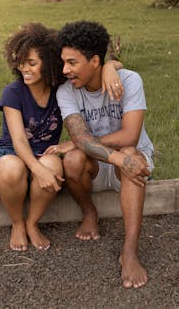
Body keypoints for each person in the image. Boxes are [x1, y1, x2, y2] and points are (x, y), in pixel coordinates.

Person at [0, 22, 124, 252]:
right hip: (12, 158)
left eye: (32, 63)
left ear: (48, 63)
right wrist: (37, 170)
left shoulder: (61, 89)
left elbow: (101, 65)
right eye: (21, 62)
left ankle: (32, 223)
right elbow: (19, 141)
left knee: (52, 163)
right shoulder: (13, 92)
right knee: (12, 168)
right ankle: (18, 223)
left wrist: (110, 66)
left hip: (46, 155)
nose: (25, 69)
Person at [46, 20, 154, 289]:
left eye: (72, 62)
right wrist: (82, 145)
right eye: (63, 62)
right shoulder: (66, 91)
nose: (65, 70)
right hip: (96, 164)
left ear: (95, 61)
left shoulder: (129, 80)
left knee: (130, 152)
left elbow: (129, 135)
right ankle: (89, 212)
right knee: (72, 159)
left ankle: (129, 251)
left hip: (129, 159)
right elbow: (80, 140)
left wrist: (83, 142)